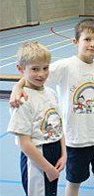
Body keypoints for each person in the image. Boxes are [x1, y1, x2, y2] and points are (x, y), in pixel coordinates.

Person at [10, 19, 94, 196]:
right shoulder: (65, 66)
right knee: (74, 182)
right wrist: (17, 88)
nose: (92, 44)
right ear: (75, 42)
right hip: (76, 140)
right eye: (87, 39)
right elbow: (35, 75)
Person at [8, 41, 66, 196]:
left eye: (45, 68)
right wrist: (47, 168)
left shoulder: (51, 93)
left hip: (54, 151)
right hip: (37, 157)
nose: (41, 74)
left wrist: (64, 153)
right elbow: (24, 143)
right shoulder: (22, 100)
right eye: (35, 69)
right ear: (20, 69)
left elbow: (58, 125)